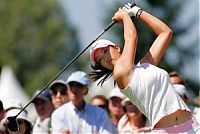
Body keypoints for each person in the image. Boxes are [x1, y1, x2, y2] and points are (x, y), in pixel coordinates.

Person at [89, 3, 200, 133]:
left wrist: (137, 11)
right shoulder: (120, 73)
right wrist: (125, 16)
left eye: (105, 51)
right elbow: (132, 36)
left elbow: (165, 32)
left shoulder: (146, 66)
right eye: (100, 59)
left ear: (117, 48)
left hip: (191, 126)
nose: (105, 58)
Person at [51, 71, 117, 133]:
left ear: (86, 90)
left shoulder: (100, 113)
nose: (74, 89)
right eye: (71, 85)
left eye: (78, 86)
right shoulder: (58, 114)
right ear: (67, 89)